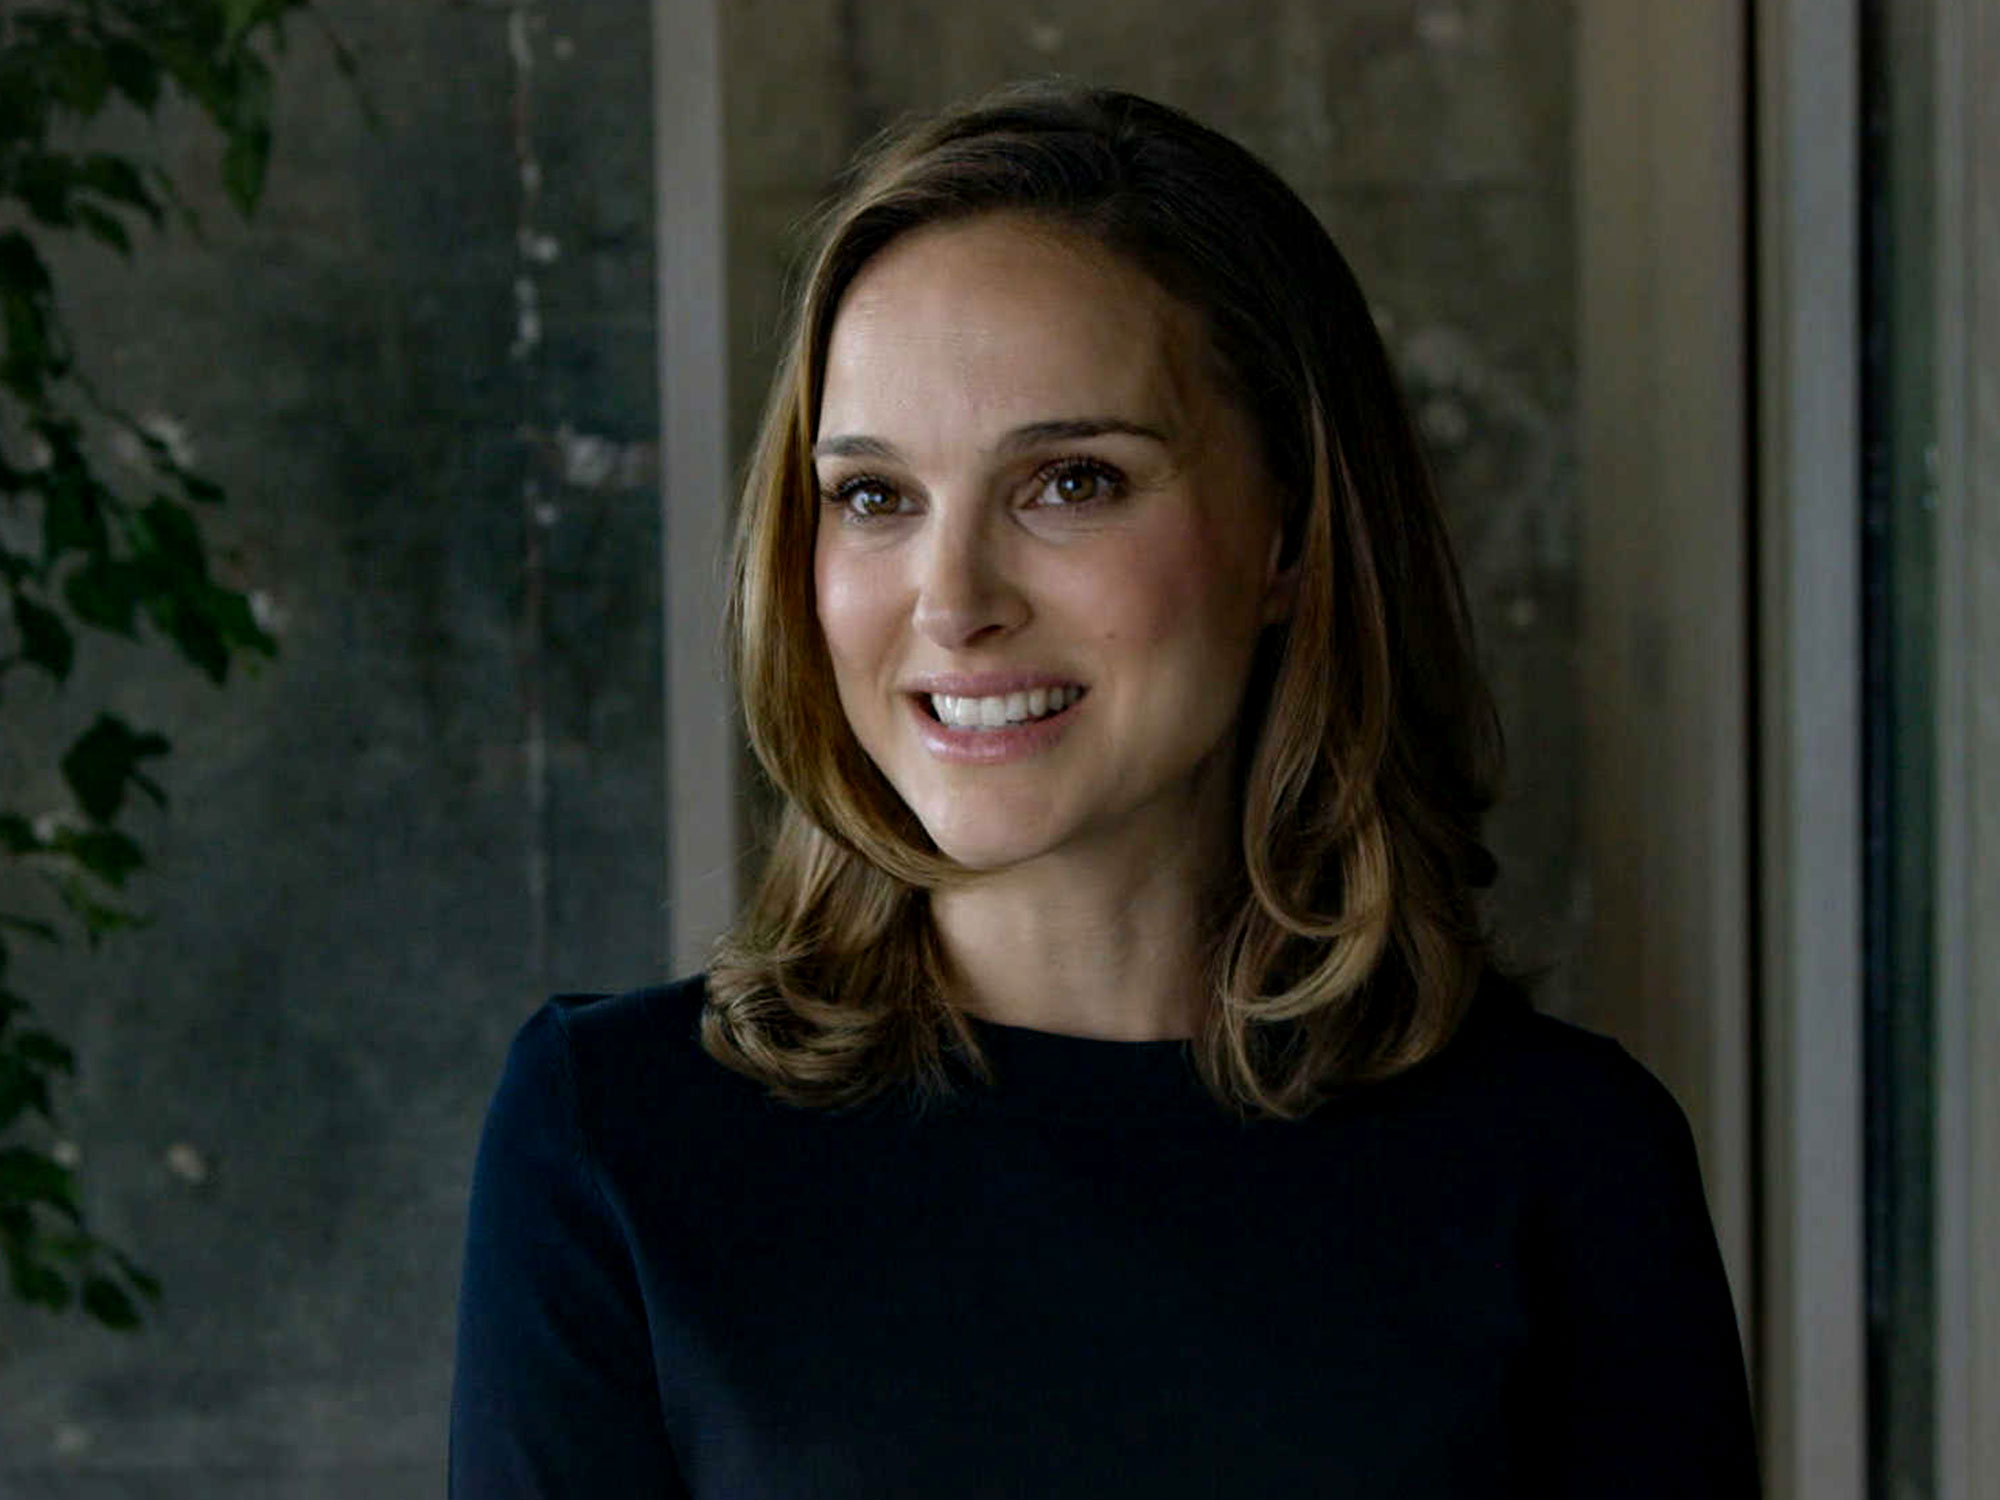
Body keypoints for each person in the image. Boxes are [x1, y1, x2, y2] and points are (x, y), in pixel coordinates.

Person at [448, 80, 1762, 1498]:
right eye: (875, 496)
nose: (952, 601)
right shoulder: (615, 1141)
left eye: (1071, 481)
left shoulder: (1568, 1164)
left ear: (1290, 535)